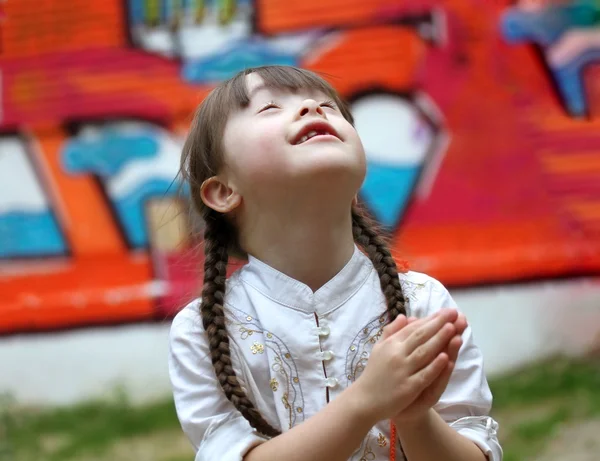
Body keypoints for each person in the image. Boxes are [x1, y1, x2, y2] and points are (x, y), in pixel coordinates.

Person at [168, 65, 502, 461]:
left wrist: (414, 416)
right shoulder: (201, 331)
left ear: (358, 186)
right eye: (270, 108)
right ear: (223, 191)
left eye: (329, 105)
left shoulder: (424, 303)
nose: (313, 107)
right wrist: (365, 401)